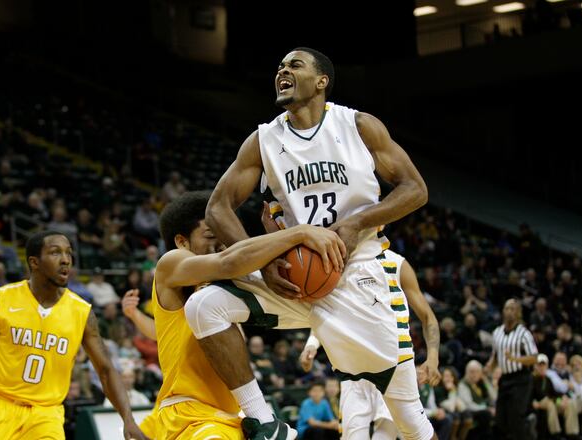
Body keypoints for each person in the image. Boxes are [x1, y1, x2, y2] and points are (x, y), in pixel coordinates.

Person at [184, 47, 432, 440]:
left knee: (407, 420)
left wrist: (356, 224)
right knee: (203, 305)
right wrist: (260, 263)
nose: (282, 70)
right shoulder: (263, 140)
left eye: (294, 65)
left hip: (358, 274)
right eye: (279, 66)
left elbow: (415, 189)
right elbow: (218, 209)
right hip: (294, 277)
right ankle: (262, 418)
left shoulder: (358, 126)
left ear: (322, 81)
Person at [121, 191, 344, 439]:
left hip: (230, 416)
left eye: (223, 236)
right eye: (209, 235)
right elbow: (231, 260)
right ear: (182, 242)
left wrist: (275, 237)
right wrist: (296, 233)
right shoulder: (171, 263)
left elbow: (165, 336)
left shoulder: (226, 295)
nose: (220, 243)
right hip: (189, 413)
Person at [0, 231, 147, 440]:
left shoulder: (82, 312)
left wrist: (128, 419)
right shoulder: (1, 299)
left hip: (45, 415)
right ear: (34, 262)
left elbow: (106, 370)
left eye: (68, 253)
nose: (66, 259)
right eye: (55, 252)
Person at [300, 248, 441, 439]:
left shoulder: (396, 263)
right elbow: (325, 312)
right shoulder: (336, 260)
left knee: (407, 432)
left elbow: (427, 316)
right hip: (353, 370)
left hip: (391, 362)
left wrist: (433, 358)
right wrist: (311, 344)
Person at [485, 298, 537, 440]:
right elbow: (495, 356)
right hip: (505, 378)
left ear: (518, 313)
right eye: (506, 308)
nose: (509, 311)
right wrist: (489, 366)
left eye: (512, 309)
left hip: (521, 378)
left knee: (516, 416)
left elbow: (534, 358)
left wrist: (516, 359)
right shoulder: (497, 332)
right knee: (500, 417)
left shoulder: (524, 333)